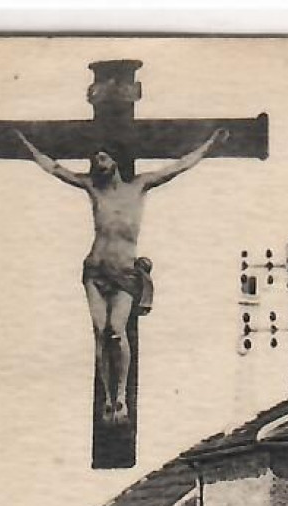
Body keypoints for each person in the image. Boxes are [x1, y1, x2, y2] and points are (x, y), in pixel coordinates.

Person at [15, 127, 228, 422]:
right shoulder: (93, 187)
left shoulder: (139, 186)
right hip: (95, 269)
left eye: (102, 157)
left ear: (115, 160)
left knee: (117, 332)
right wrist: (25, 144)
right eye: (94, 159)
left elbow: (178, 167)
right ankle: (108, 399)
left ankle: (121, 397)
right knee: (101, 334)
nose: (97, 162)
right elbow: (54, 168)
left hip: (124, 272)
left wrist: (210, 145)